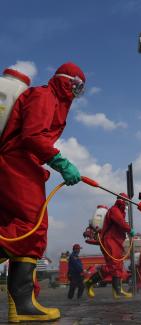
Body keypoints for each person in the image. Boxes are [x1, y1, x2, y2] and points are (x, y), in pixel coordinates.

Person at [0, 62, 86, 322]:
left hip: (18, 164)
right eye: (77, 86)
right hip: (18, 164)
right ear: (66, 81)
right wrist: (61, 163)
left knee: (19, 228)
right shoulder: (44, 96)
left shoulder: (50, 99)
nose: (77, 93)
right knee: (31, 227)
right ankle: (24, 304)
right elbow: (33, 136)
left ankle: (20, 306)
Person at [85, 193, 135, 299]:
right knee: (113, 266)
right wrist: (130, 230)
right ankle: (90, 283)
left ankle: (116, 290)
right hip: (110, 241)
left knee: (117, 266)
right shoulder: (114, 210)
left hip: (115, 242)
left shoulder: (120, 211)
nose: (127, 204)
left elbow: (120, 225)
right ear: (122, 201)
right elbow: (120, 222)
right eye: (126, 202)